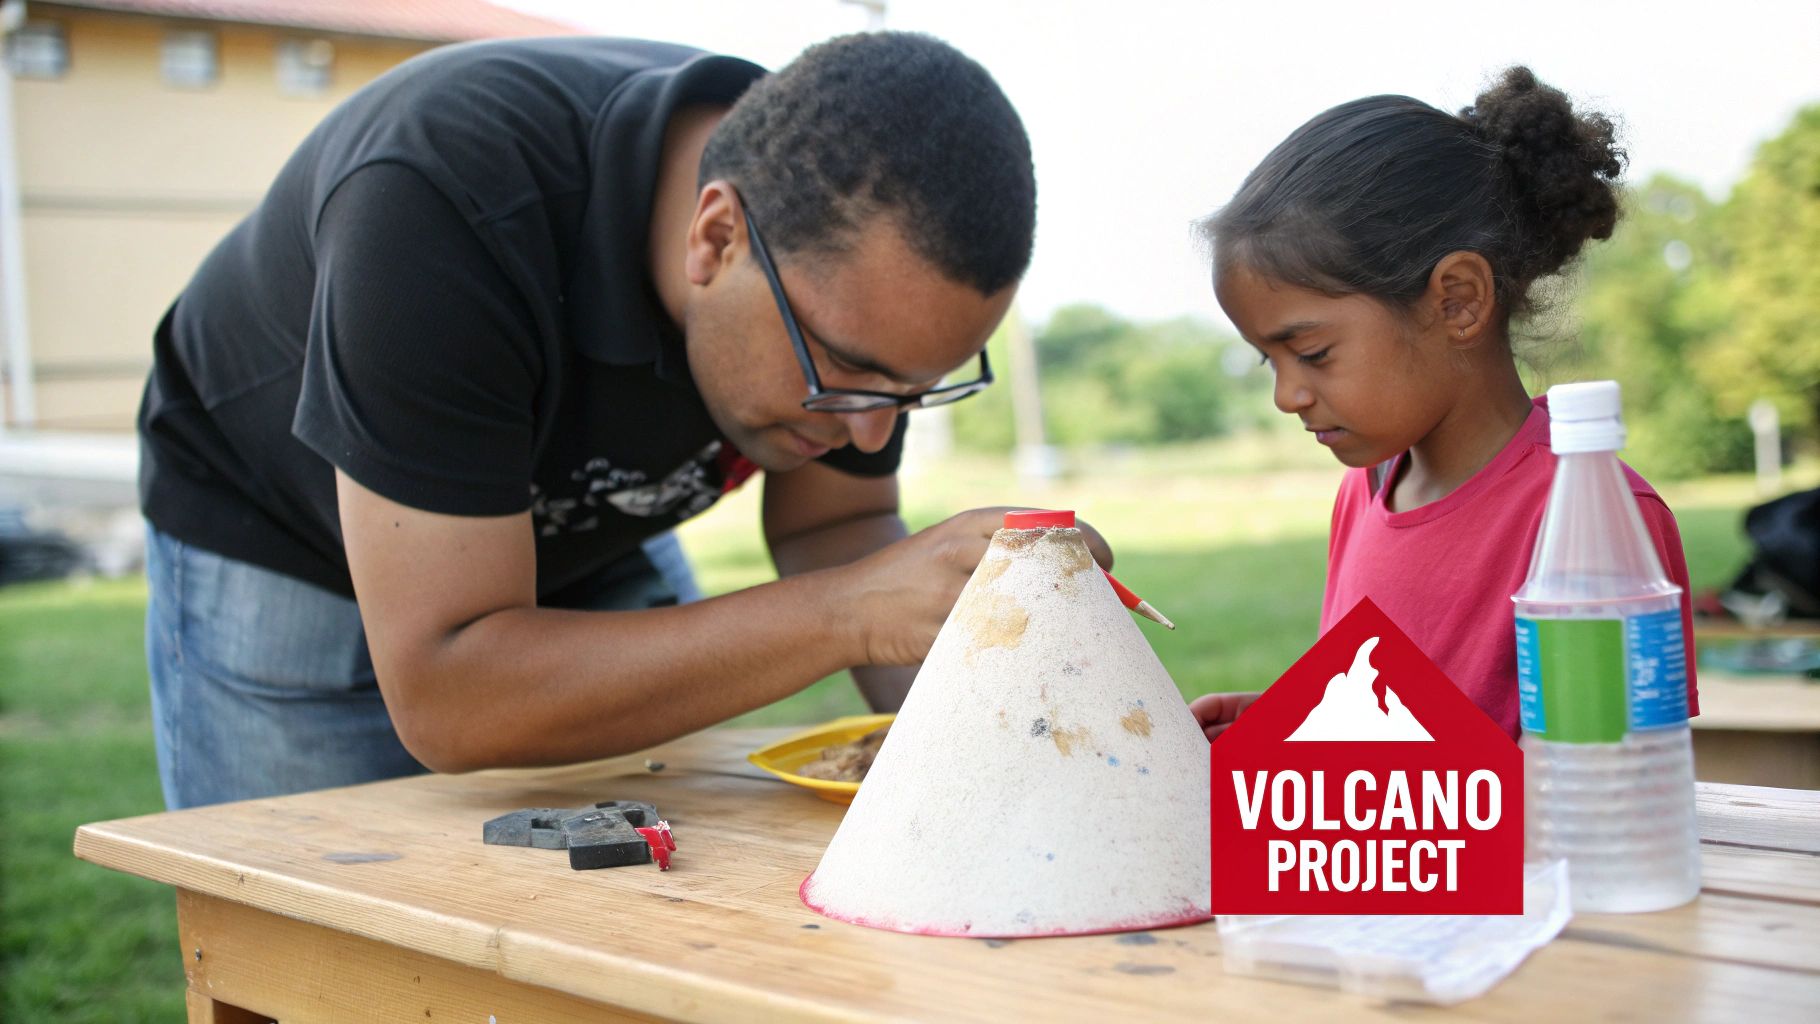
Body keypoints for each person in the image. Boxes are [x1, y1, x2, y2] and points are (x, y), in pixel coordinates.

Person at [138, 31, 1109, 809]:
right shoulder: (441, 201)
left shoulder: (848, 214)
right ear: (715, 238)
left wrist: (998, 730)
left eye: (913, 389)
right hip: (289, 538)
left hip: (581, 533)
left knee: (617, 898)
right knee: (321, 934)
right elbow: (451, 698)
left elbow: (834, 527)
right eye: (848, 372)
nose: (869, 435)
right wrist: (850, 611)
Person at [1189, 67, 1698, 740]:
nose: (1287, 397)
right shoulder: (1367, 490)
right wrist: (1302, 730)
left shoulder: (1592, 515)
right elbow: (1406, 722)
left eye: (1312, 353)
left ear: (1458, 301)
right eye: (1268, 360)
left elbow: (1610, 776)